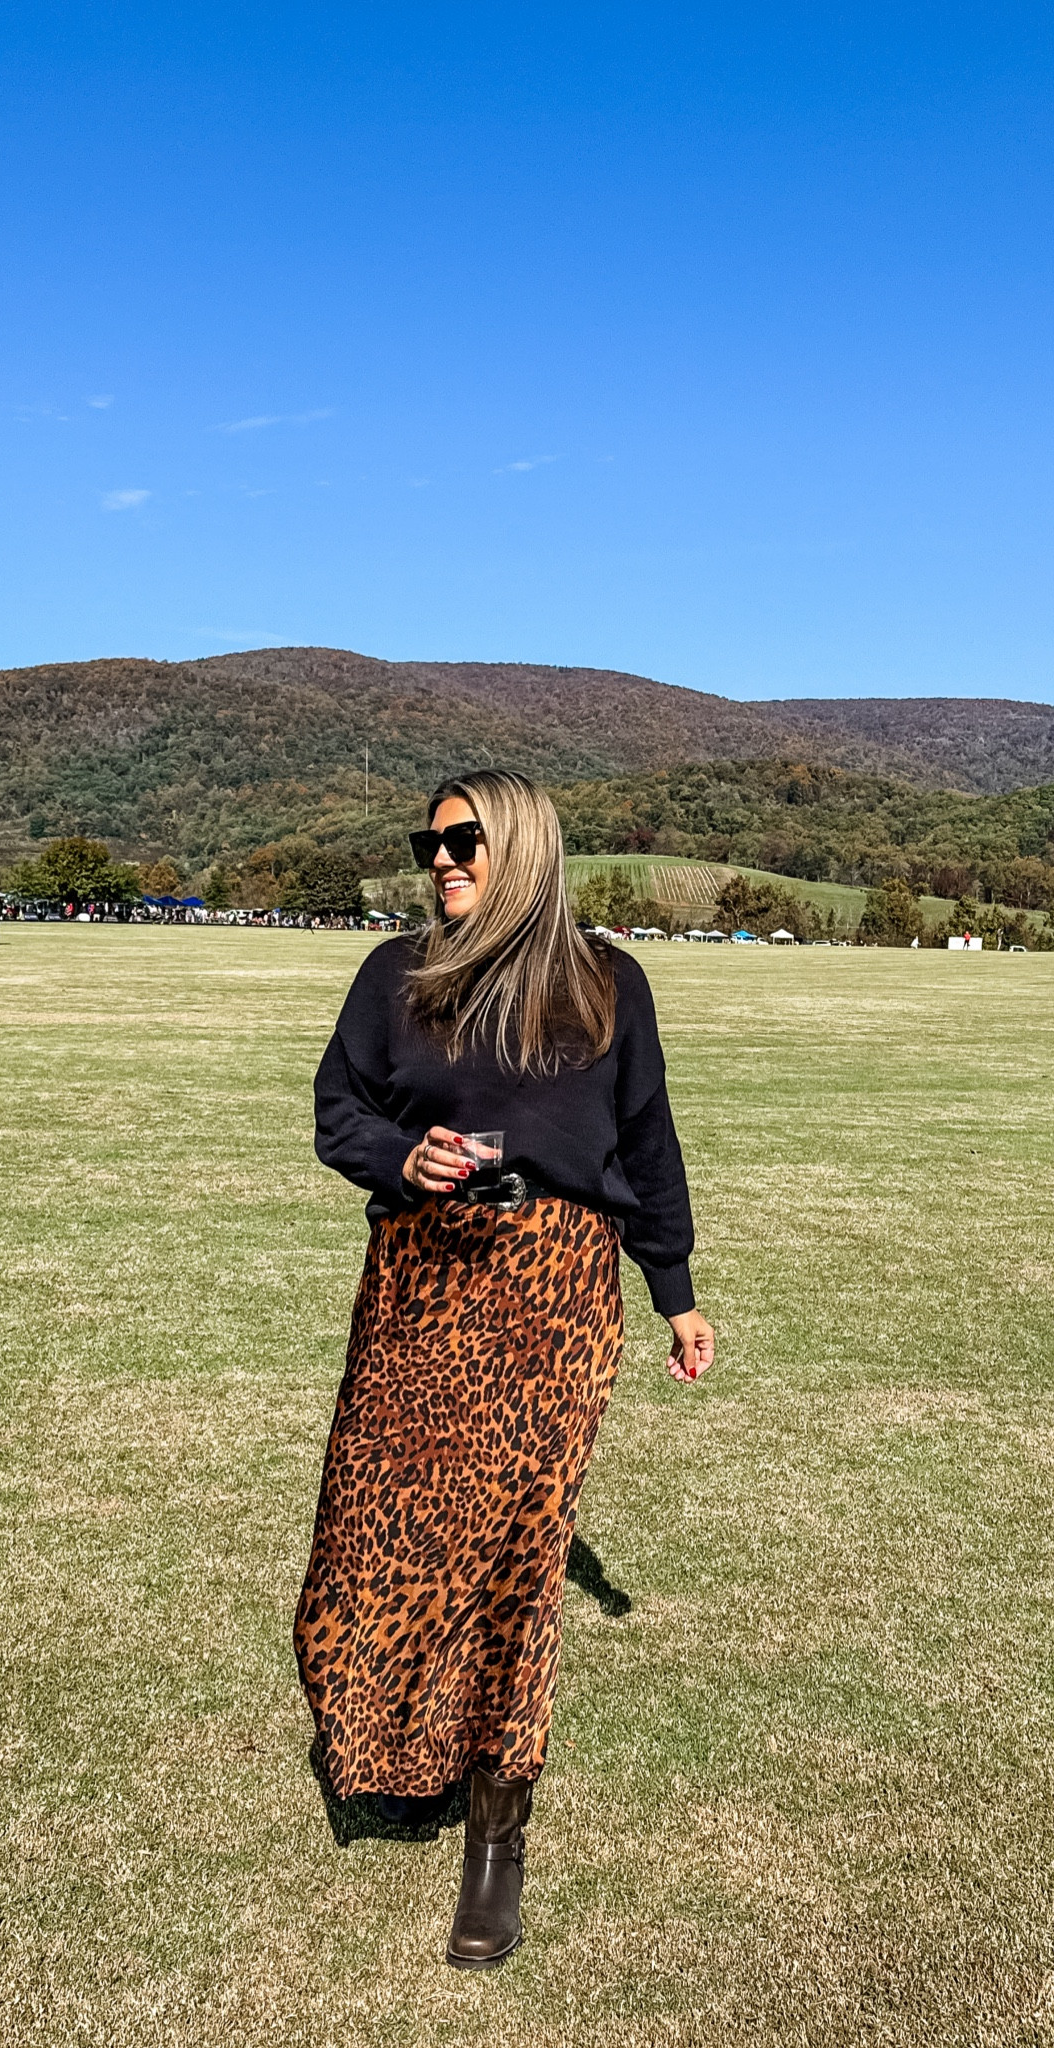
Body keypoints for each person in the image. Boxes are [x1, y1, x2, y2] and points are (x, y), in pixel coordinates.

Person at [296, 768, 714, 1971]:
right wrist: (398, 1153)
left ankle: (497, 1829)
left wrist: (674, 1294)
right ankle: (399, 1747)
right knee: (373, 1535)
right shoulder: (395, 975)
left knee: (517, 1559)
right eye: (429, 841)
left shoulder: (602, 983)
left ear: (522, 844)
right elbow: (337, 1112)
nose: (441, 859)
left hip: (553, 1293)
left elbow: (647, 1141)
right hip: (421, 1284)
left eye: (465, 839)